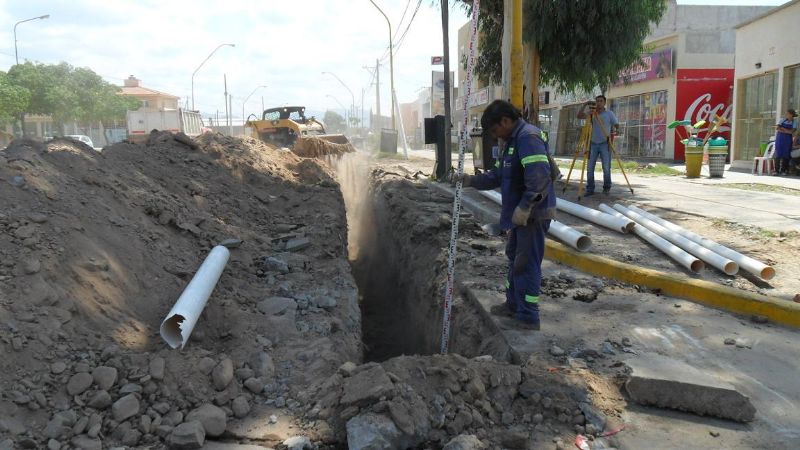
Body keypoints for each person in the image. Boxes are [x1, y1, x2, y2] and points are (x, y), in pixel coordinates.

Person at [456, 100, 557, 330]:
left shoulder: (527, 138)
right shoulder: (511, 142)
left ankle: (529, 316)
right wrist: (471, 181)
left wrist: (525, 207)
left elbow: (539, 177)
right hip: (520, 215)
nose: (495, 136)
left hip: (534, 214)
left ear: (505, 120)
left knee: (527, 263)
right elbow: (498, 176)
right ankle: (513, 305)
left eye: (495, 130)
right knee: (514, 258)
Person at [577, 95, 619, 195]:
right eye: (597, 101)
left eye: (601, 101)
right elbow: (579, 116)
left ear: (604, 103)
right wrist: (585, 105)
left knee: (606, 167)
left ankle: (606, 188)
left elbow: (616, 124)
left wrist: (617, 130)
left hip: (605, 143)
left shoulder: (609, 114)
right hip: (593, 144)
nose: (599, 103)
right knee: (590, 168)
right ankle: (590, 189)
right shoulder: (591, 113)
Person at [774, 109, 796, 175]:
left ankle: (783, 171)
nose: (786, 115)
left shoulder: (794, 122)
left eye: (788, 114)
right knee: (778, 154)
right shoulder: (782, 120)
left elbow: (792, 132)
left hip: (788, 140)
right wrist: (786, 131)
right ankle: (776, 171)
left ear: (791, 115)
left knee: (786, 155)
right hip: (779, 139)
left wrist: (783, 129)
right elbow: (777, 128)